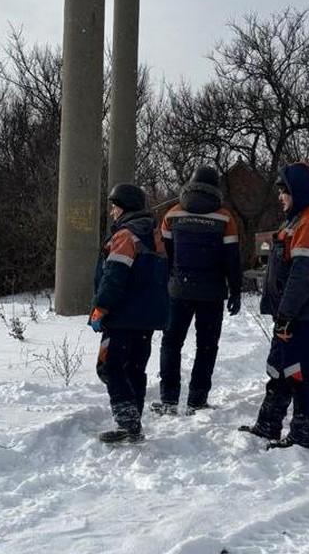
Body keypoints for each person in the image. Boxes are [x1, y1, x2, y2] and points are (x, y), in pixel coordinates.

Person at [238, 162, 309, 449]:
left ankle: (303, 431)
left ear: (299, 191)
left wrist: (286, 315)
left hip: (301, 313)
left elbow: (303, 276)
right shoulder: (301, 218)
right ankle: (269, 422)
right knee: (281, 365)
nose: (280, 197)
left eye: (284, 191)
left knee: (298, 368)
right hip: (295, 311)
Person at [152, 166, 242, 416]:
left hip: (178, 290)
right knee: (207, 345)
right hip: (212, 294)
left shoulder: (172, 215)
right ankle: (197, 399)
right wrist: (235, 290)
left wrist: (168, 283)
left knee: (171, 344)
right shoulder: (225, 218)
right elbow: (232, 258)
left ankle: (168, 399)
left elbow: (164, 255)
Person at [90, 183, 169, 443]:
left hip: (122, 315)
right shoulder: (154, 234)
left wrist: (100, 308)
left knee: (111, 365)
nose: (112, 211)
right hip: (147, 317)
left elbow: (114, 277)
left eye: (115, 206)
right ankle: (133, 419)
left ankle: (127, 421)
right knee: (136, 366)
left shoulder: (125, 236)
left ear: (123, 207)